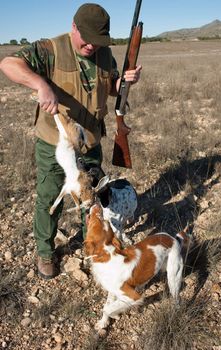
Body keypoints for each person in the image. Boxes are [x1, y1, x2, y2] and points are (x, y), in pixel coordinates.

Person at [0, 3, 142, 280]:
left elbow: (111, 88)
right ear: (74, 26)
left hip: (90, 141)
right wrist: (41, 85)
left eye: (98, 41)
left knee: (90, 198)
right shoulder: (50, 49)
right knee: (50, 197)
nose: (91, 46)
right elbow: (8, 64)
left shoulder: (104, 53)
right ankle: (45, 252)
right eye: (86, 39)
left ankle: (93, 245)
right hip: (57, 144)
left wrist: (125, 82)